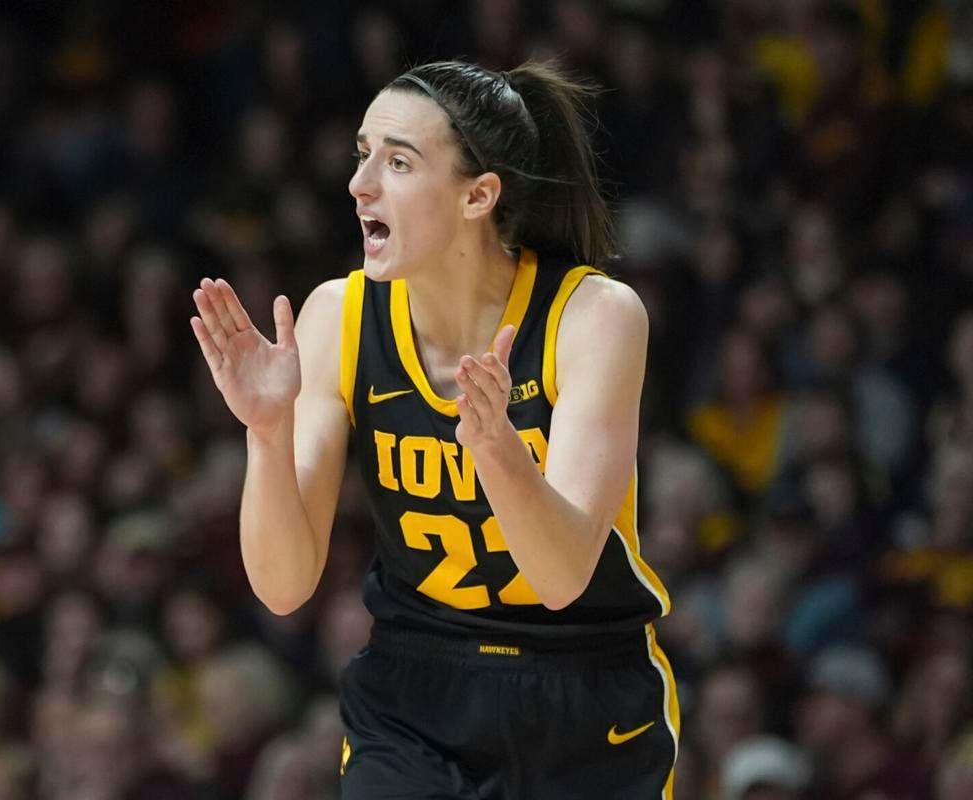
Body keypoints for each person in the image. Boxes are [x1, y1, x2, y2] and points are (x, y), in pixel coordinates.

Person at [191, 60, 678, 799]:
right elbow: (284, 587)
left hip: (583, 690)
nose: (360, 185)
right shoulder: (339, 317)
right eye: (362, 154)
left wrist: (494, 451)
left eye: (397, 162)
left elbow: (559, 579)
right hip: (415, 693)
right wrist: (265, 430)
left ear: (479, 195)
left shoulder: (594, 316)